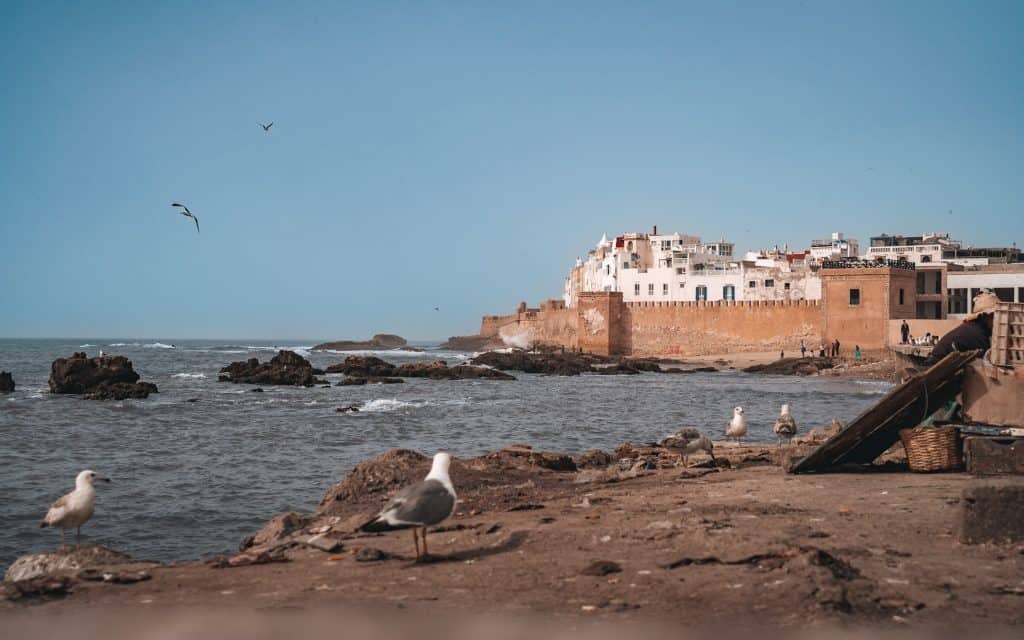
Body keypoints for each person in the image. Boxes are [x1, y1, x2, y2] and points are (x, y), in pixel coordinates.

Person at [921, 291, 999, 367]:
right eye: (994, 317)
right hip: (937, 368)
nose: (997, 321)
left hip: (936, 364)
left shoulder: (973, 328)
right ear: (985, 317)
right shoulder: (978, 335)